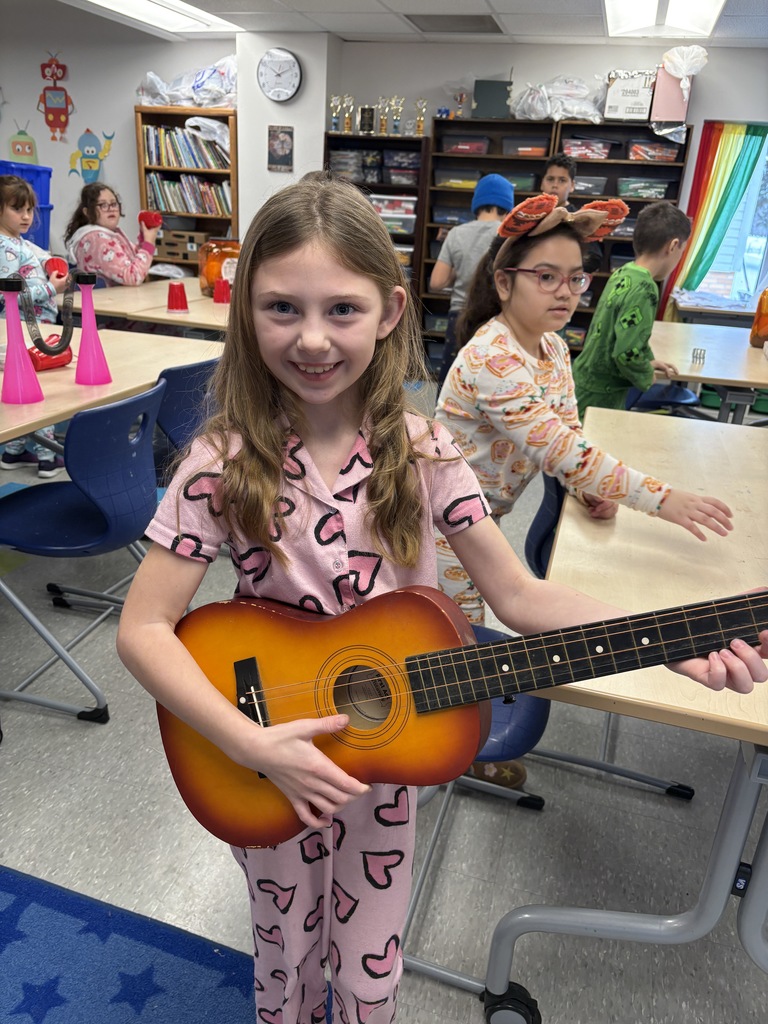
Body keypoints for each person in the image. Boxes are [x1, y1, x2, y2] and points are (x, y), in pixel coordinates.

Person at [115, 176, 767, 1024]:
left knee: (370, 971)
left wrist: (658, 638)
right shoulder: (218, 461)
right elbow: (143, 628)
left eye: (341, 311)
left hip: (384, 768)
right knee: (283, 955)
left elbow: (518, 596)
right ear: (246, 311)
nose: (313, 339)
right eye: (282, 308)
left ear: (389, 312)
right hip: (259, 754)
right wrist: (251, 741)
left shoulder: (427, 453)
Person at [434, 193, 735, 627]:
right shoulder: (493, 359)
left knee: (465, 633)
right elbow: (562, 452)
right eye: (546, 277)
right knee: (453, 640)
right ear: (504, 283)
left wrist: (588, 488)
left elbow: (569, 433)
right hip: (440, 528)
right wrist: (662, 499)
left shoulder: (553, 346)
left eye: (575, 279)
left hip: (481, 518)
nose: (565, 292)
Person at [572, 201, 692, 418]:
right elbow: (625, 353)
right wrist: (646, 374)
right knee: (592, 443)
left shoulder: (624, 272)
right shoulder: (645, 288)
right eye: (682, 251)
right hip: (603, 392)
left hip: (587, 377)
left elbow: (622, 333)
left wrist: (647, 359)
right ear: (673, 246)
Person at [0, 174, 68, 477]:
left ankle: (15, 451)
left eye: (29, 209)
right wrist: (52, 289)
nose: (26, 216)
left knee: (24, 385)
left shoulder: (17, 242)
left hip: (32, 325)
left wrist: (51, 265)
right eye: (18, 209)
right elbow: (7, 294)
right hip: (25, 327)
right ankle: (46, 455)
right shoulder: (4, 247)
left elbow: (42, 257)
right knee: (41, 390)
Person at [429, 173, 514, 386]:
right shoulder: (510, 237)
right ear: (508, 207)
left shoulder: (456, 234)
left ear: (477, 204)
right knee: (492, 381)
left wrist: (460, 270)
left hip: (459, 317)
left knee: (452, 378)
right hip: (497, 317)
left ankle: (443, 419)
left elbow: (436, 283)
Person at [64, 182, 159, 286]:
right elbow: (133, 277)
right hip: (106, 300)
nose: (111, 208)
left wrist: (143, 240)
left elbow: (133, 261)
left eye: (114, 203)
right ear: (87, 212)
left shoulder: (109, 234)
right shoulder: (96, 239)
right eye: (103, 205)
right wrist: (148, 244)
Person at [541, 152, 602, 274]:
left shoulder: (581, 219)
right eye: (550, 179)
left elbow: (594, 258)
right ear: (542, 183)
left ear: (572, 186)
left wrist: (565, 267)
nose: (555, 185)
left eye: (562, 180)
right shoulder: (532, 215)